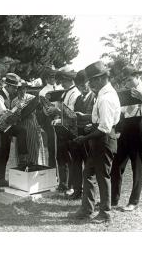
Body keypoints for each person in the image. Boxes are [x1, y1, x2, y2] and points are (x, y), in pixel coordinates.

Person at [70, 61, 121, 223]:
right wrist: (88, 121)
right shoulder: (105, 93)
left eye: (91, 80)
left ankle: (105, 213)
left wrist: (84, 138)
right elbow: (101, 120)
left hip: (104, 140)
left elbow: (104, 127)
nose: (90, 84)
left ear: (100, 79)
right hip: (100, 140)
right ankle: (87, 209)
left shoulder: (106, 97)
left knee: (102, 177)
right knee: (88, 174)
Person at [111, 65, 142, 211]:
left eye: (129, 79)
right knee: (117, 164)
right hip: (126, 126)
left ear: (137, 76)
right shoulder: (126, 92)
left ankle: (134, 201)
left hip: (140, 124)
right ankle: (113, 199)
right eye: (125, 79)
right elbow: (121, 111)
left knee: (137, 165)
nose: (126, 82)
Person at [50, 67, 81, 195]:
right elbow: (62, 111)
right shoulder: (65, 92)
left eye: (62, 80)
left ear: (68, 79)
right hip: (62, 129)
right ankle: (63, 184)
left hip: (71, 131)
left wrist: (57, 112)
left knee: (72, 158)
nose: (61, 83)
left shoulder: (75, 93)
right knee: (61, 157)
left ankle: (72, 186)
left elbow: (72, 114)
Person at [68, 70, 95, 200]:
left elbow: (97, 117)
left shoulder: (95, 97)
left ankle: (87, 193)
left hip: (89, 136)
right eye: (79, 86)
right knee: (76, 163)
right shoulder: (78, 98)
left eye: (84, 85)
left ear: (89, 82)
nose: (83, 88)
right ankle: (77, 190)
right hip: (77, 134)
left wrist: (85, 118)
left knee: (88, 166)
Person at [0, 73, 28, 186]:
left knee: (5, 152)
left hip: (6, 126)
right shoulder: (0, 95)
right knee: (2, 152)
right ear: (8, 86)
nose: (16, 90)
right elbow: (2, 112)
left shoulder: (9, 95)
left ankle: (22, 159)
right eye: (15, 87)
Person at [12, 80, 45, 165]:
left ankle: (34, 166)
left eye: (24, 89)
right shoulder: (14, 101)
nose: (22, 91)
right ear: (17, 90)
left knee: (33, 147)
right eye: (20, 89)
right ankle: (22, 167)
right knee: (22, 148)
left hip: (31, 124)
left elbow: (39, 111)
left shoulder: (32, 98)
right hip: (20, 126)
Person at [38, 67, 63, 168]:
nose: (54, 79)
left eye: (55, 76)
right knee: (53, 148)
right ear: (46, 78)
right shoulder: (43, 92)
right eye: (51, 77)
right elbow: (47, 109)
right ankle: (54, 172)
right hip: (51, 120)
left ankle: (63, 174)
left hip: (62, 119)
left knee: (63, 148)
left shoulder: (61, 88)